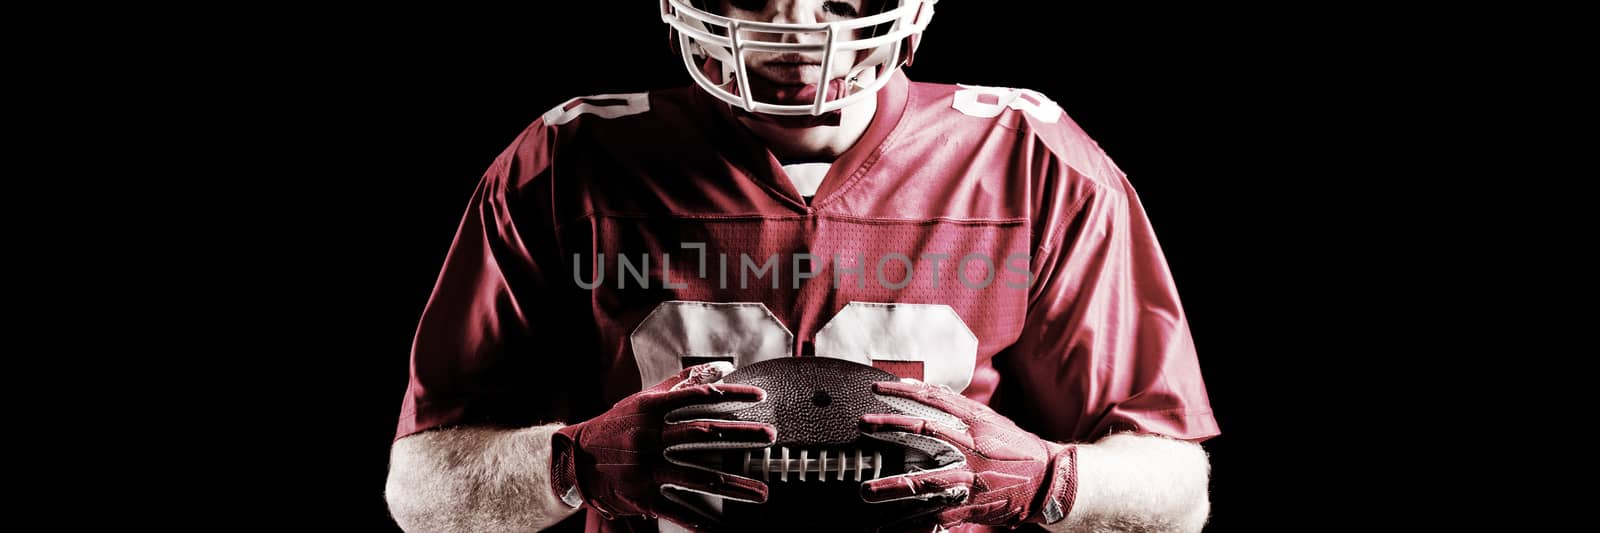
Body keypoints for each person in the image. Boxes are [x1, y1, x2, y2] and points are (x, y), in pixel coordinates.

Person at [384, 1, 1219, 531]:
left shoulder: (1030, 157)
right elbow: (418, 490)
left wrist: (1045, 478)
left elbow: (1180, 489)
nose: (793, 19)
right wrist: (570, 464)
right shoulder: (567, 158)